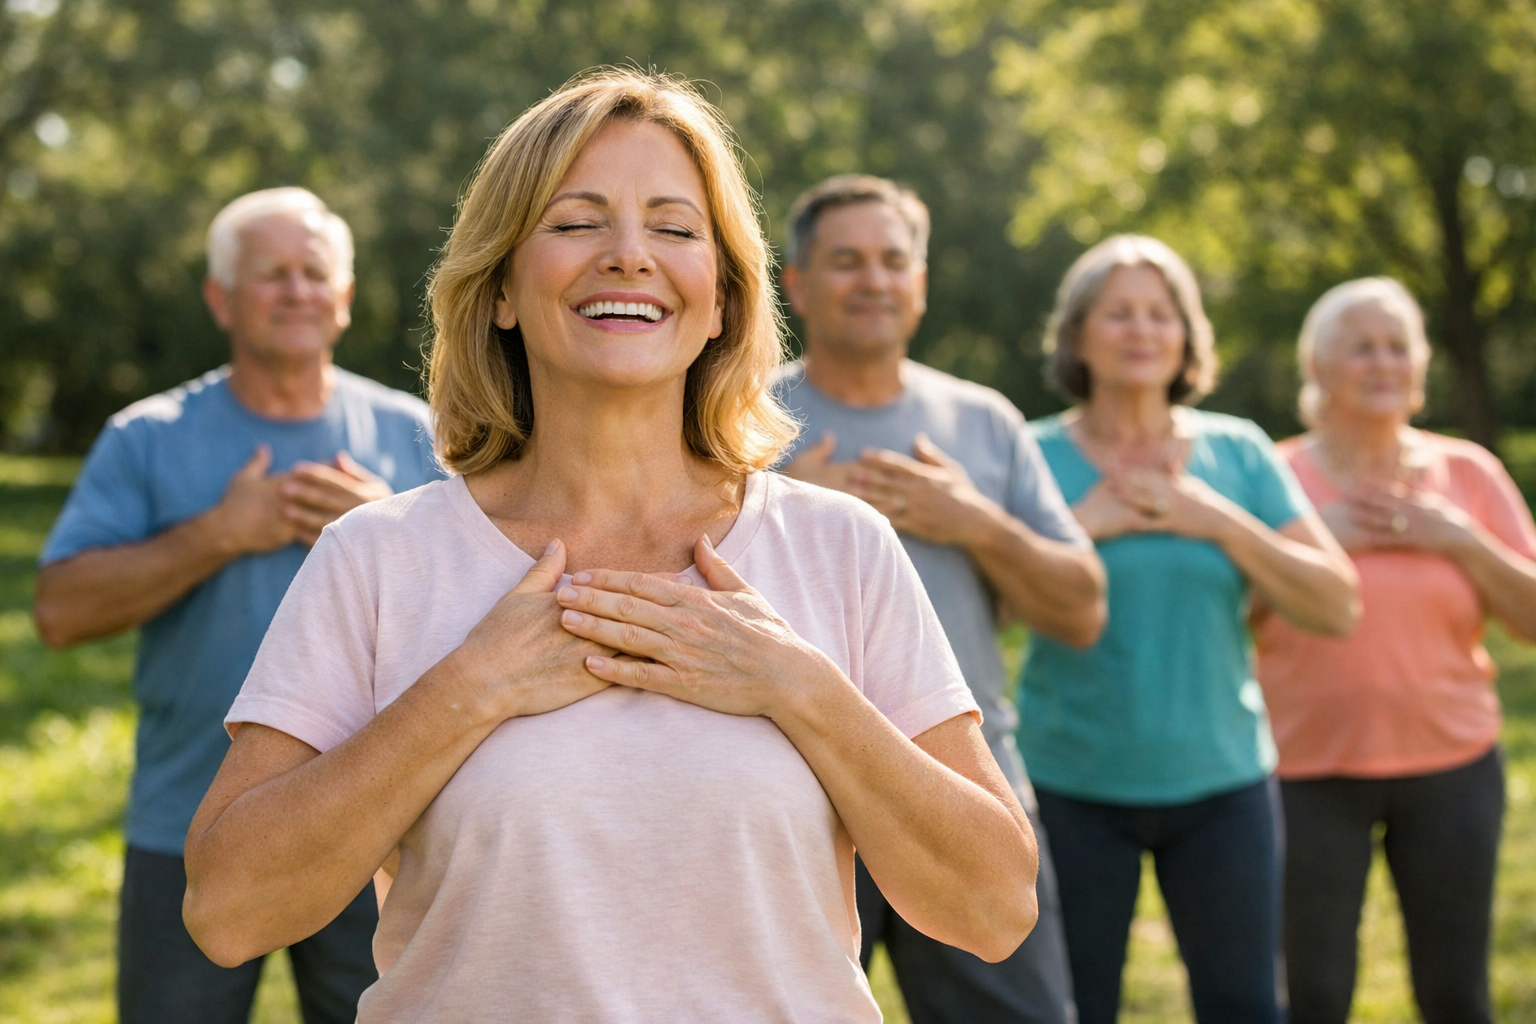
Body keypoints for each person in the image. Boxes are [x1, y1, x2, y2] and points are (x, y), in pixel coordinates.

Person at [179, 69, 1039, 1022]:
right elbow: (229, 910)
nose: (630, 256)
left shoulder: (841, 548)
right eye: (578, 222)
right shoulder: (378, 559)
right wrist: (470, 690)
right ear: (503, 287)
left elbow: (994, 909)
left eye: (674, 229)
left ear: (720, 298)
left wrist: (798, 688)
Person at [30, 187, 444, 1023]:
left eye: (313, 272)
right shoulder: (147, 436)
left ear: (345, 296)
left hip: (377, 831)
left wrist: (386, 534)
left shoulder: (424, 438)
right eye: (270, 275)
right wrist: (216, 533)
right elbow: (58, 612)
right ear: (221, 298)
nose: (296, 290)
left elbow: (497, 614)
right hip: (185, 832)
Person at [774, 173, 1104, 1024]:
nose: (874, 279)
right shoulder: (737, 420)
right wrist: (778, 508)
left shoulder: (984, 423)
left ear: (920, 283)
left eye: (894, 260)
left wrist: (975, 523)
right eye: (846, 261)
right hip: (786, 801)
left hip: (961, 795)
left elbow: (1081, 610)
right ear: (797, 283)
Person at [1015, 234, 1360, 1024]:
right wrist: (1080, 528)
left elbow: (1337, 604)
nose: (1142, 330)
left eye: (1160, 314)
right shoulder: (1031, 454)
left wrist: (1217, 522)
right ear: (1076, 336)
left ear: (1187, 336)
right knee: (1076, 1006)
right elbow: (990, 608)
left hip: (1224, 783)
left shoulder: (1238, 453)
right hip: (1071, 785)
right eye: (1119, 313)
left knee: (1244, 1006)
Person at [1253, 277, 1536, 1024]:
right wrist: (1316, 545)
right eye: (1361, 347)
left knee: (1456, 994)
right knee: (1311, 997)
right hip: (1304, 770)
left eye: (1398, 345)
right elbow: (1224, 617)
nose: (1383, 362)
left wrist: (1459, 539)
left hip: (1453, 769)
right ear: (1317, 368)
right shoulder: (1273, 477)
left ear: (1421, 365)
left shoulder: (1468, 473)